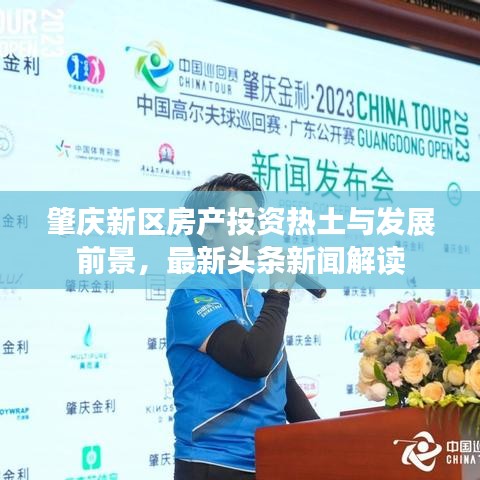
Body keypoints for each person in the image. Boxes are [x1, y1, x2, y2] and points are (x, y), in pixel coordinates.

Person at [166, 173, 320, 480]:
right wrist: (280, 290)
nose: (256, 232)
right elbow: (253, 360)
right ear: (207, 230)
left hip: (270, 461)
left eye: (257, 221)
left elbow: (284, 385)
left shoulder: (258, 302)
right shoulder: (193, 294)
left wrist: (333, 441)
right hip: (215, 465)